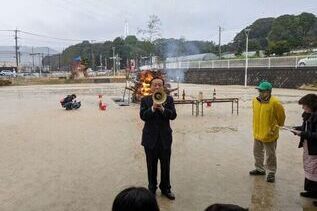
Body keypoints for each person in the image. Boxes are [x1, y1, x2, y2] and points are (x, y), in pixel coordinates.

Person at [140, 77, 177, 200]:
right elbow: (143, 116)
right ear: (150, 87)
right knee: (151, 165)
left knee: (166, 165)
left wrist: (162, 109)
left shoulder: (169, 99)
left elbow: (173, 116)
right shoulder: (145, 100)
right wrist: (152, 108)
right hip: (150, 139)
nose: (157, 87)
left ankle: (166, 188)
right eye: (154, 85)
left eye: (159, 85)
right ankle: (152, 188)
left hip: (165, 139)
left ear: (163, 87)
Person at [249, 81, 285, 183]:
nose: (260, 92)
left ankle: (271, 172)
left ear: (269, 92)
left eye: (262, 91)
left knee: (270, 155)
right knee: (257, 153)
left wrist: (274, 129)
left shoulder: (275, 103)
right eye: (259, 90)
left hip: (269, 134)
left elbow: (281, 117)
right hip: (257, 133)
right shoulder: (254, 101)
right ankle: (260, 169)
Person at [292, 94, 317, 201]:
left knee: (315, 170)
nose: (303, 108)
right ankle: (312, 191)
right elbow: (306, 128)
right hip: (308, 147)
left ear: (311, 105)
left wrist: (302, 133)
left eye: (304, 105)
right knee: (310, 169)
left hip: (315, 148)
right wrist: (297, 129)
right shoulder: (308, 115)